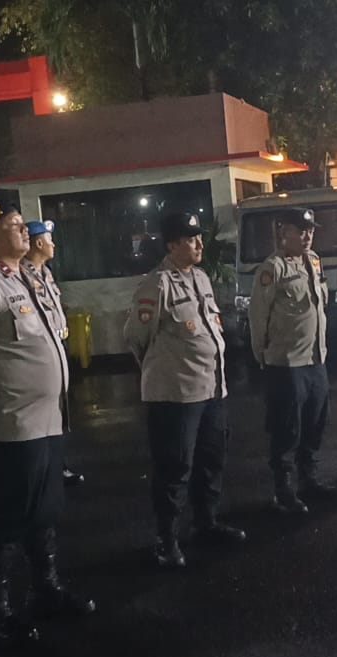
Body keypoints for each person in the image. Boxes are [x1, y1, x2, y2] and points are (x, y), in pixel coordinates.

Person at [0, 202, 94, 654]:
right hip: (12, 425)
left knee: (44, 510)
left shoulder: (27, 278)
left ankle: (45, 591)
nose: (23, 230)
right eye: (11, 226)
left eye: (21, 224)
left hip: (47, 421)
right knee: (6, 518)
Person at [124, 211, 246, 568]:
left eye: (198, 238)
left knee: (211, 461)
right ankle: (166, 539)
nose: (198, 244)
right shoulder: (157, 285)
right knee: (175, 467)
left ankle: (206, 523)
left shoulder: (201, 278)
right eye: (190, 239)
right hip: (175, 395)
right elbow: (136, 337)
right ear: (171, 245)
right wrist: (163, 370)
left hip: (212, 389)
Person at [248, 208, 337, 514]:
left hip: (315, 358)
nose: (307, 236)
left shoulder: (313, 260)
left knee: (316, 422)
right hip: (286, 362)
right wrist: (262, 354)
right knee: (286, 428)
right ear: (283, 232)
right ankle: (283, 490)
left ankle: (309, 480)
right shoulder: (272, 268)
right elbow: (258, 316)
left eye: (311, 230)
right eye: (300, 230)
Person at [23, 219, 86, 488]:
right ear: (38, 243)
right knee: (42, 416)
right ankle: (47, 471)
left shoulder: (45, 273)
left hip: (58, 349)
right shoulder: (21, 276)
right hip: (39, 356)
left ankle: (58, 466)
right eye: (49, 240)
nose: (53, 244)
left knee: (59, 412)